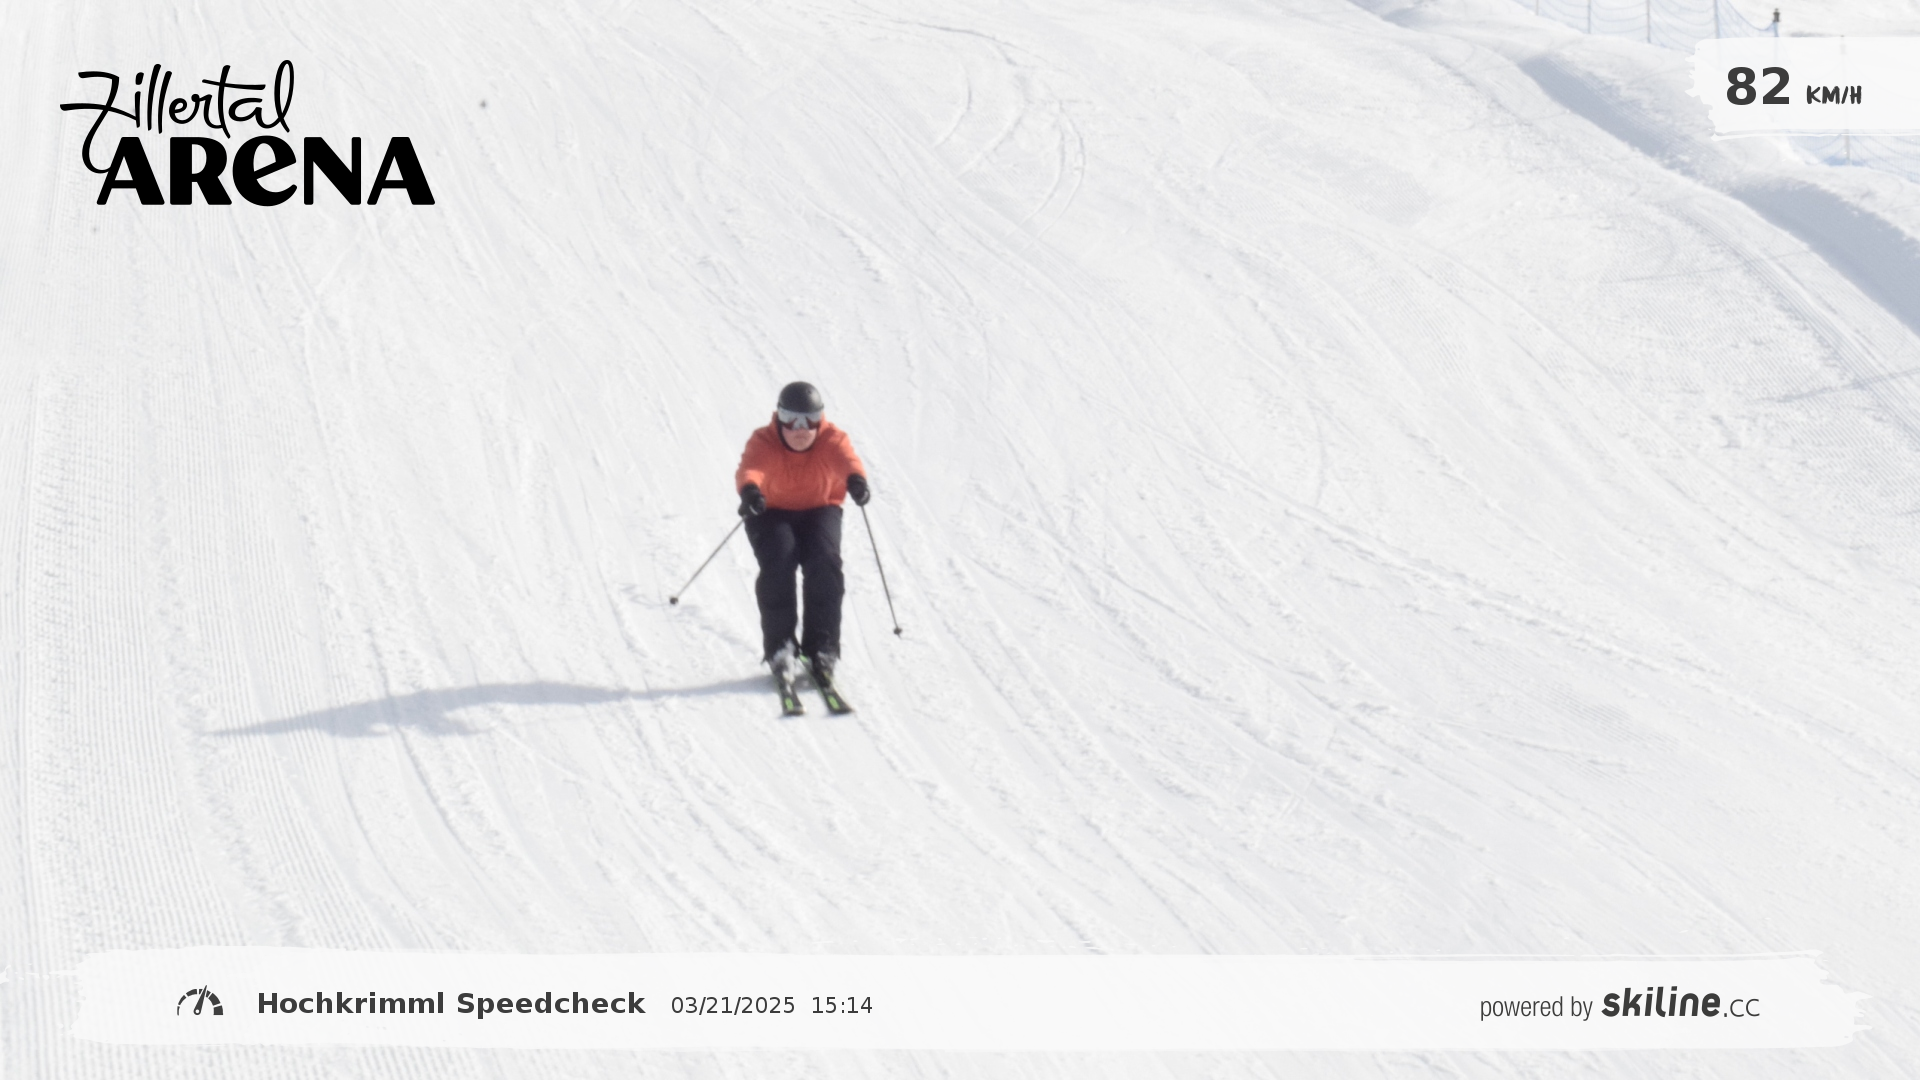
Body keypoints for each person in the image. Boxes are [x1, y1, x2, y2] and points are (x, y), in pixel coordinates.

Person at [735, 381, 870, 684]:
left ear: (820, 419)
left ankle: (822, 648)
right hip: (769, 511)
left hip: (820, 509)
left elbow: (846, 460)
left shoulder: (831, 439)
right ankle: (781, 649)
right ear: (778, 417)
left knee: (825, 562)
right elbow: (751, 469)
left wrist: (856, 480)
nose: (801, 429)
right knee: (779, 563)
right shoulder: (764, 440)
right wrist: (751, 491)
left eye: (810, 420)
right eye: (791, 419)